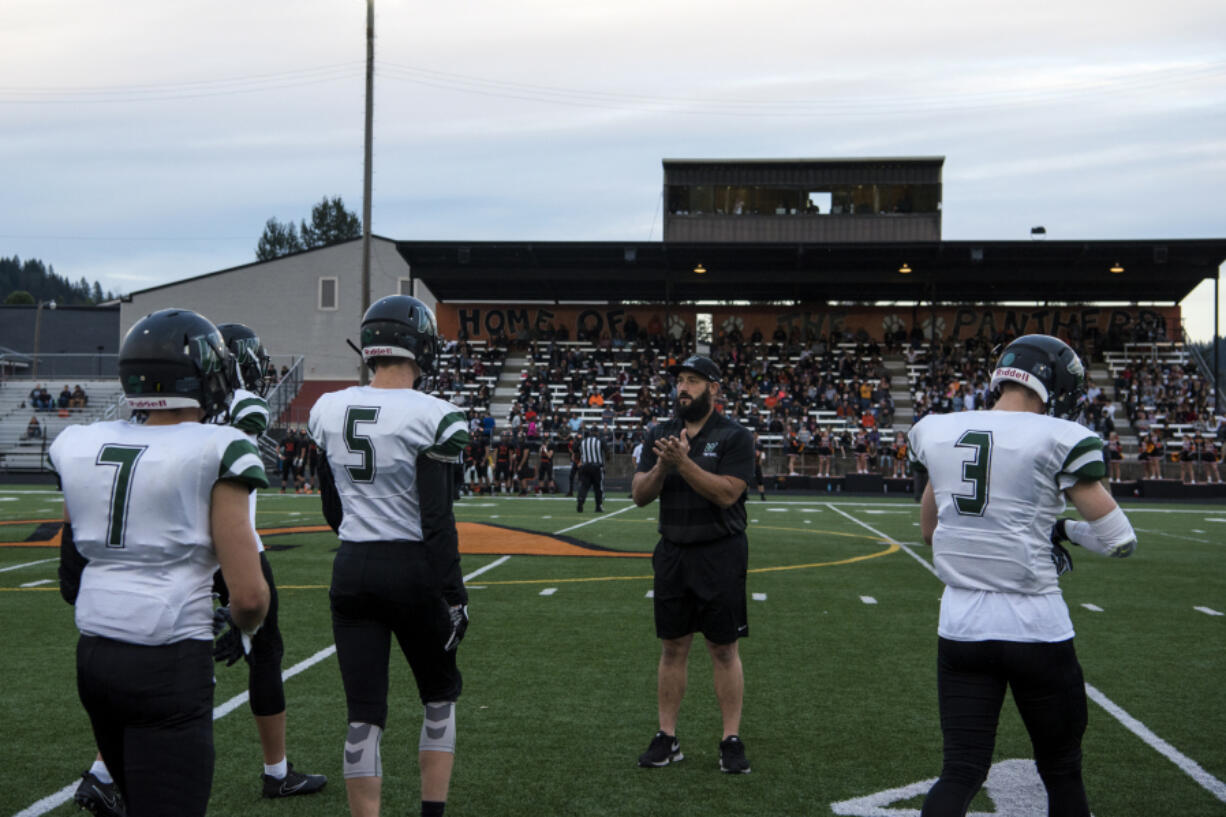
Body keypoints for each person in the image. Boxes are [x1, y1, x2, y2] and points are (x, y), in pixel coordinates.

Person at [906, 334, 1137, 817]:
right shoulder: (1058, 436)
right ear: (1052, 383)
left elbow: (929, 532)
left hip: (962, 627)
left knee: (960, 771)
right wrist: (1063, 530)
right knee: (1061, 771)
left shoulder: (939, 427)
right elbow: (1119, 538)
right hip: (1036, 627)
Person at [52, 308, 270, 817]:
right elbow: (250, 595)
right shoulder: (219, 446)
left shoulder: (81, 443)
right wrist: (242, 627)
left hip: (95, 655)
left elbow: (71, 569)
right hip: (168, 654)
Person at [309, 295, 470, 817]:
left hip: (351, 566)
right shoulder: (434, 415)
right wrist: (454, 593)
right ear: (419, 346)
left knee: (364, 717)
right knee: (439, 695)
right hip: (412, 569)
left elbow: (332, 506)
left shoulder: (328, 408)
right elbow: (436, 520)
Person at [631, 354, 755, 775]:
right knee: (672, 647)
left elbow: (726, 493)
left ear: (714, 389)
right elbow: (639, 494)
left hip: (720, 552)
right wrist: (664, 467)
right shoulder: (660, 433)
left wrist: (682, 463)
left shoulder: (735, 436)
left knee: (723, 649)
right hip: (673, 551)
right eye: (680, 381)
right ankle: (667, 737)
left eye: (693, 381)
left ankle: (730, 739)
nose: (682, 388)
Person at [576, 425, 606, 513]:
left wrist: (580, 459)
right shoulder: (600, 440)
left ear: (590, 432)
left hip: (585, 466)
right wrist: (606, 462)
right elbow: (607, 451)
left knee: (584, 486)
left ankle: (580, 501)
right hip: (596, 467)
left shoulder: (583, 441)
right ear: (597, 432)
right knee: (597, 488)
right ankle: (598, 506)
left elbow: (575, 448)